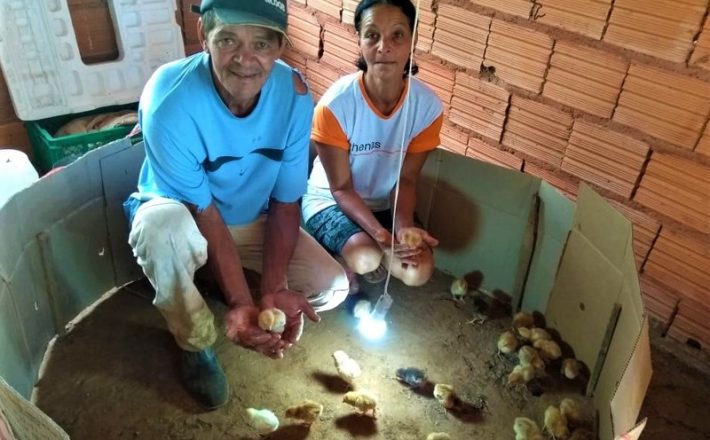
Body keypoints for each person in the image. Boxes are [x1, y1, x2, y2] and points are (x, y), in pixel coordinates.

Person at [123, 0, 349, 410]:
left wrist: (274, 288)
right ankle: (195, 341)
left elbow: (285, 202)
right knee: (162, 234)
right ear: (203, 38)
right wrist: (245, 302)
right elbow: (204, 213)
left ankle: (214, 281)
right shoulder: (169, 102)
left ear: (280, 46)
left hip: (250, 217)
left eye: (262, 43)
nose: (246, 59)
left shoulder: (295, 95)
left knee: (331, 287)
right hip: (183, 215)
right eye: (228, 39)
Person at [302, 0, 442, 290]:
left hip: (383, 203)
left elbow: (406, 179)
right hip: (330, 201)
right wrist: (381, 237)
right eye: (372, 35)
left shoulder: (427, 107)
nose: (384, 47)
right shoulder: (336, 105)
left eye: (397, 35)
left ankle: (367, 250)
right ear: (359, 40)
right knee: (366, 257)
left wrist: (402, 227)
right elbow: (340, 189)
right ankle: (342, 255)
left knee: (418, 270)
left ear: (412, 40)